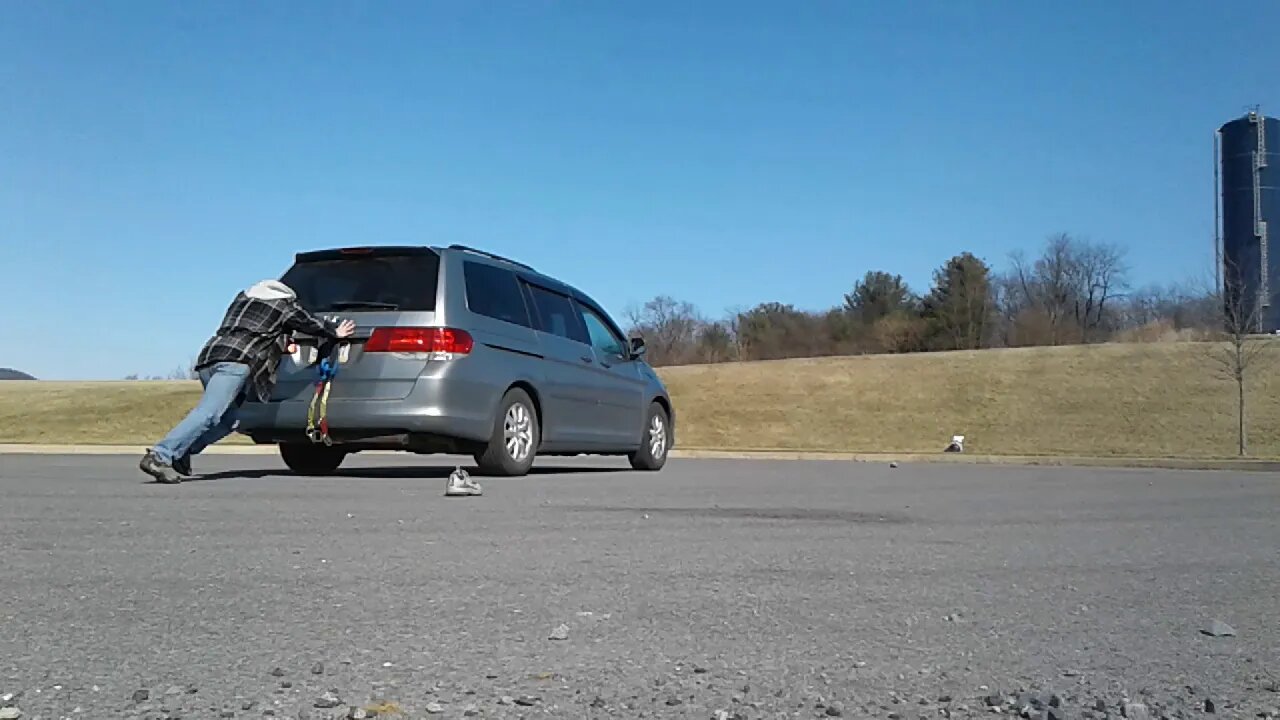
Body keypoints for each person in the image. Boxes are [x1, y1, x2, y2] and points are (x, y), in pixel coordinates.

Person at [139, 279, 355, 484]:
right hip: (235, 362)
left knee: (230, 420)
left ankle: (182, 451)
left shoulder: (242, 299)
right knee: (209, 413)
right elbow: (308, 323)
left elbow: (260, 329)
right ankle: (160, 456)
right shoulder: (282, 304)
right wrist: (334, 331)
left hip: (209, 358)